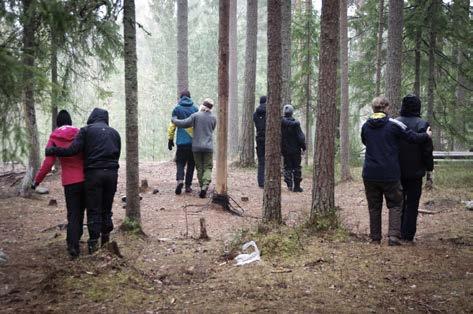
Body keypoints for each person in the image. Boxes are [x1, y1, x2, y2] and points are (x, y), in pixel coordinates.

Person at [46, 108, 121, 254]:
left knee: (94, 209)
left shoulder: (86, 131)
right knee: (107, 208)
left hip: (93, 174)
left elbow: (73, 150)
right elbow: (117, 154)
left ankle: (93, 244)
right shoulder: (115, 133)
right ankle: (106, 240)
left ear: (92, 117)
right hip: (112, 174)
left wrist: (52, 151)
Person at [361, 96, 432, 246]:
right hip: (390, 173)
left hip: (370, 173)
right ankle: (394, 237)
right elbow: (412, 137)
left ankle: (375, 238)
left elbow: (365, 141)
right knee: (395, 204)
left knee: (374, 206)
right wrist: (426, 136)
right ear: (386, 108)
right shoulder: (394, 125)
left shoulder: (366, 126)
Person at [33, 110, 85, 259]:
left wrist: (37, 181)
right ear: (70, 120)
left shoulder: (55, 136)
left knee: (73, 213)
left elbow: (48, 162)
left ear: (57, 123)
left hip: (70, 182)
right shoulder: (80, 133)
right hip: (86, 179)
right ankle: (77, 240)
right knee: (81, 212)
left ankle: (72, 245)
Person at [396, 94, 434, 243]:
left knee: (399, 203)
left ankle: (396, 232)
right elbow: (427, 149)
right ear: (418, 107)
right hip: (416, 171)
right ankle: (407, 235)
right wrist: (429, 167)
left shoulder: (395, 123)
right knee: (412, 203)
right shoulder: (423, 124)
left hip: (397, 170)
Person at [172, 99, 216, 198]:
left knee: (199, 167)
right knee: (208, 167)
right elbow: (212, 129)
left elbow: (183, 123)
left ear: (202, 106)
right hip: (208, 147)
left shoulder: (196, 116)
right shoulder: (213, 118)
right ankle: (205, 186)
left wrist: (174, 120)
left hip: (196, 147)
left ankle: (202, 186)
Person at [167, 91, 198, 195]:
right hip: (193, 142)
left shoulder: (177, 109)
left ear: (180, 97)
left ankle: (180, 180)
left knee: (180, 162)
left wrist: (170, 139)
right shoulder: (195, 109)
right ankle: (188, 186)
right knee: (191, 164)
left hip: (181, 142)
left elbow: (172, 125)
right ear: (190, 97)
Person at [281, 104, 306, 192]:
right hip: (295, 150)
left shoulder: (280, 123)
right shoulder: (296, 124)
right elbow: (301, 137)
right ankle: (297, 187)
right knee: (297, 167)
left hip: (285, 150)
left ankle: (289, 185)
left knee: (287, 167)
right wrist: (304, 147)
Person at [253, 96, 267, 188]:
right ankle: (268, 180)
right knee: (270, 161)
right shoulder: (270, 112)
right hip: (268, 138)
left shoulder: (255, 114)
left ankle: (261, 182)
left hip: (259, 137)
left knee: (261, 161)